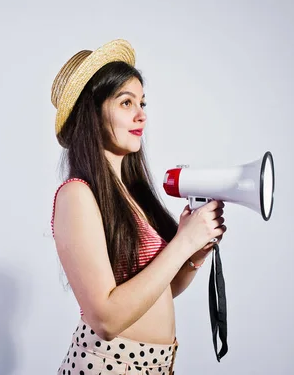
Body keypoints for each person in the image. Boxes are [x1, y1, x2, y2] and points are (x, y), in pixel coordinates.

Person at [49, 39, 228, 375]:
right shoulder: (77, 195)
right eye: (126, 102)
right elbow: (106, 319)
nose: (141, 115)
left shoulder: (131, 195)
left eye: (142, 102)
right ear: (92, 112)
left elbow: (156, 292)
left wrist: (194, 256)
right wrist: (183, 242)